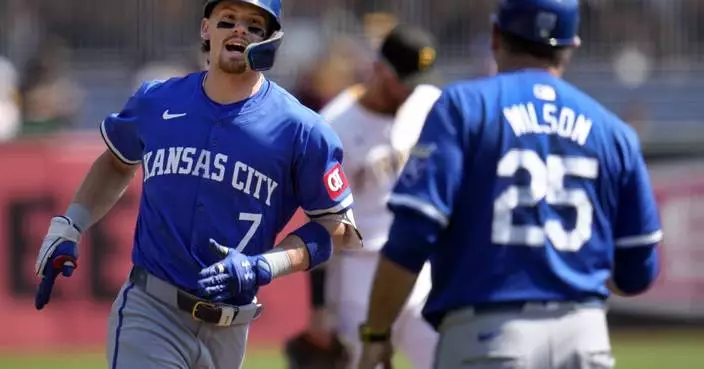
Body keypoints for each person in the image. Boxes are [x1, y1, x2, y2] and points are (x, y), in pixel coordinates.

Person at [32, 1, 363, 369]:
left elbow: (339, 230)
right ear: (206, 29)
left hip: (231, 328)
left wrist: (266, 266)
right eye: (228, 20)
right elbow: (116, 162)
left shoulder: (302, 130)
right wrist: (71, 224)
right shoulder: (157, 101)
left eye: (254, 25)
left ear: (271, 41)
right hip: (151, 309)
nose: (239, 30)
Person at [357, 1, 663, 368]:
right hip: (585, 337)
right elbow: (638, 272)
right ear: (572, 45)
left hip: (489, 333)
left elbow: (412, 235)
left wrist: (377, 332)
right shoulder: (613, 131)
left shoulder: (463, 107)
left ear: (495, 35)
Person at [284, 24, 443, 369]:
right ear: (380, 69)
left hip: (420, 265)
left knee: (446, 356)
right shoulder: (334, 125)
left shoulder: (428, 104)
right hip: (359, 273)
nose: (411, 89)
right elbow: (323, 220)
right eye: (404, 79)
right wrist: (319, 310)